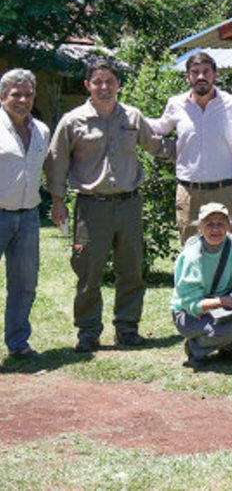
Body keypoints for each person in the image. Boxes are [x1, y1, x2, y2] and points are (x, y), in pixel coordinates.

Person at [45, 59, 171, 352]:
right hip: (92, 208)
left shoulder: (133, 117)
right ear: (87, 85)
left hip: (129, 205)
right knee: (88, 272)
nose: (104, 87)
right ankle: (88, 332)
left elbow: (157, 146)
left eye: (110, 81)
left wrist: (196, 147)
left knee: (131, 270)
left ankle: (127, 329)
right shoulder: (72, 121)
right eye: (98, 82)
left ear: (118, 84)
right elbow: (57, 162)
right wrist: (58, 200)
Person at [149, 51, 232, 244]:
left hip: (224, 190)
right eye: (195, 72)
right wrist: (131, 117)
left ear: (215, 75)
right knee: (191, 251)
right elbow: (160, 127)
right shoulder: (176, 104)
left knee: (226, 251)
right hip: (189, 193)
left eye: (206, 71)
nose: (201, 77)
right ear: (187, 77)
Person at [171, 202, 232, 369]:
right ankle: (195, 350)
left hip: (220, 303)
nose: (215, 229)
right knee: (229, 330)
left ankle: (230, 351)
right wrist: (227, 301)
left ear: (228, 226)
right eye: (209, 224)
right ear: (200, 227)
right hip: (189, 314)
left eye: (220, 224)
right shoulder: (192, 257)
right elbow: (191, 304)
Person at [0, 69, 50, 359]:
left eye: (28, 94)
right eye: (16, 94)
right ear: (3, 96)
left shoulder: (41, 130)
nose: (23, 99)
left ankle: (18, 344)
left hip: (29, 218)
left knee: (24, 284)